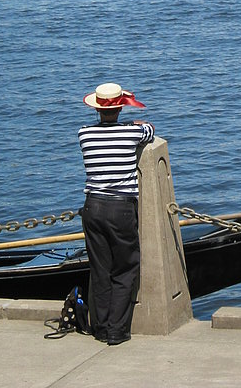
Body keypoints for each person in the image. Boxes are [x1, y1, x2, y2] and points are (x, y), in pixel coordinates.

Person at [79, 82, 154, 345]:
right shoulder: (130, 134)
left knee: (100, 269)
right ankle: (116, 330)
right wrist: (138, 125)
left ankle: (99, 327)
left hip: (93, 206)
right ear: (120, 108)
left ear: (97, 110)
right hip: (120, 208)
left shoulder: (84, 134)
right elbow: (149, 131)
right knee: (125, 268)